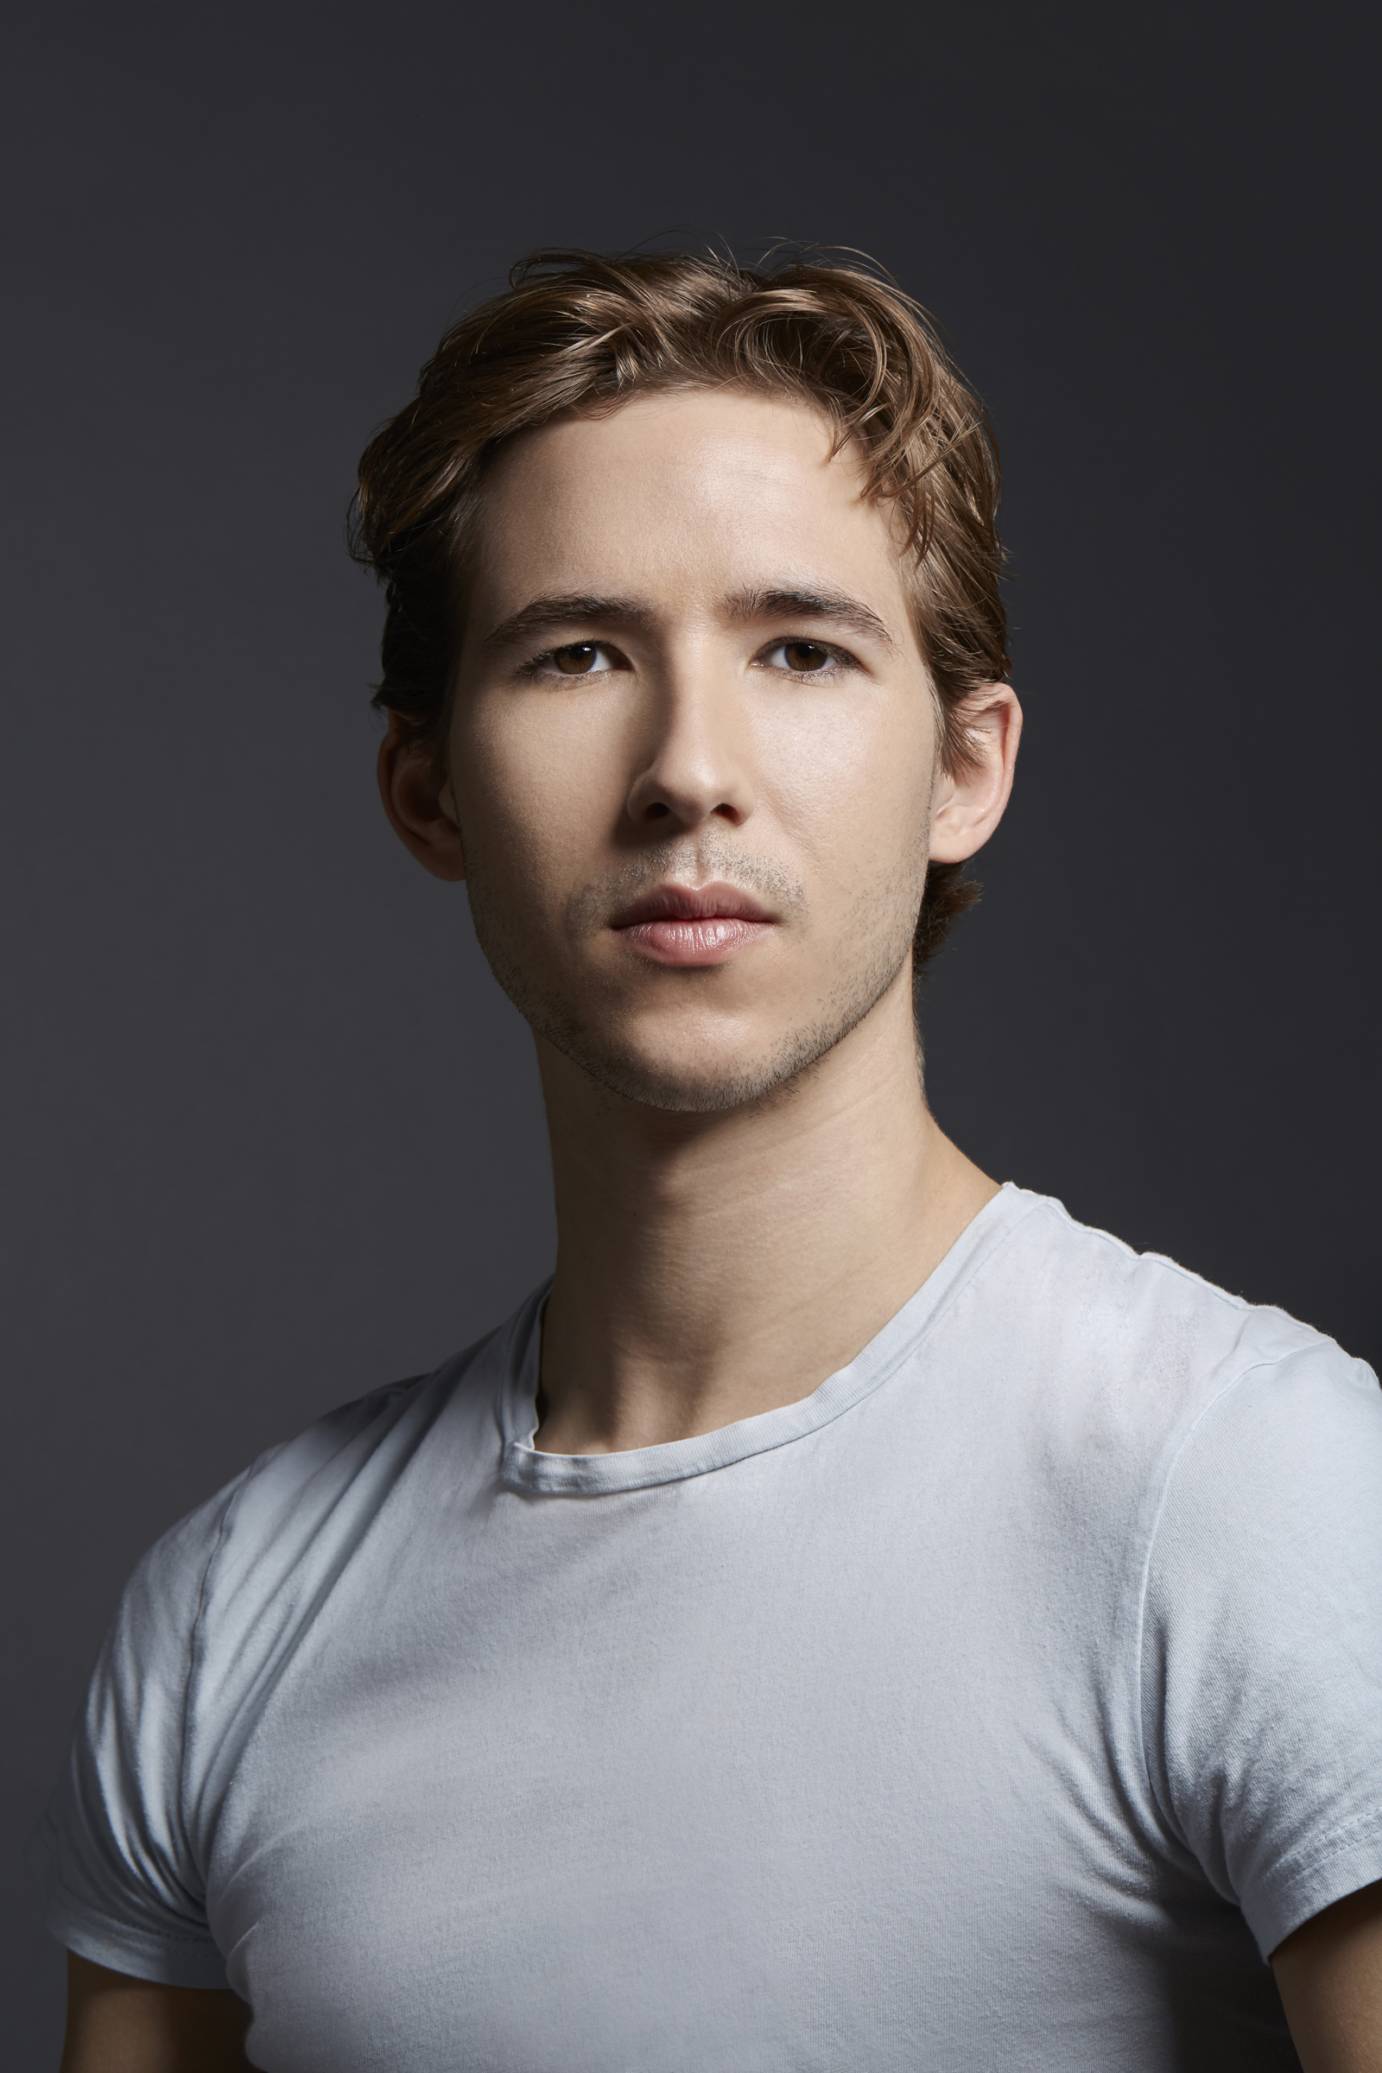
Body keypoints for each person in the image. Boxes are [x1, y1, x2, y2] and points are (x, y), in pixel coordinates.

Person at [27, 242, 1382, 2072]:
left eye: (799, 649)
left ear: (964, 770)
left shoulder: (1255, 1491)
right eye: (579, 653)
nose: (687, 766)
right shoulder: (228, 1614)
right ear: (428, 788)